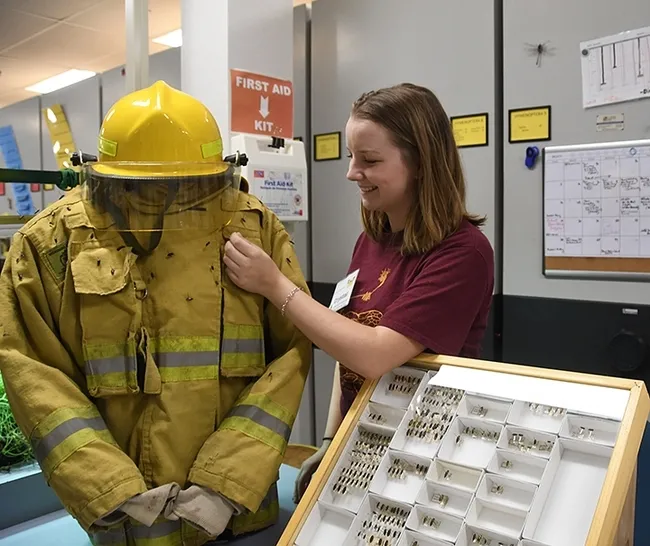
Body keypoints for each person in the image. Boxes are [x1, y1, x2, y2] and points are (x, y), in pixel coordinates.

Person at [0, 81, 311, 546]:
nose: (169, 195)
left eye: (187, 184)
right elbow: (34, 375)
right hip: (124, 526)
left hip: (242, 519)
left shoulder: (253, 227)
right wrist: (109, 489)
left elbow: (292, 352)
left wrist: (227, 484)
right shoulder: (49, 243)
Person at [223, 82, 495, 503]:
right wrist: (332, 441)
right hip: (364, 445)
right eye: (352, 157)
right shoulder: (372, 239)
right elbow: (346, 347)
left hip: (425, 459)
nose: (352, 173)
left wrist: (274, 285)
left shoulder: (464, 254)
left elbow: (373, 352)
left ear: (420, 162)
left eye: (369, 160)